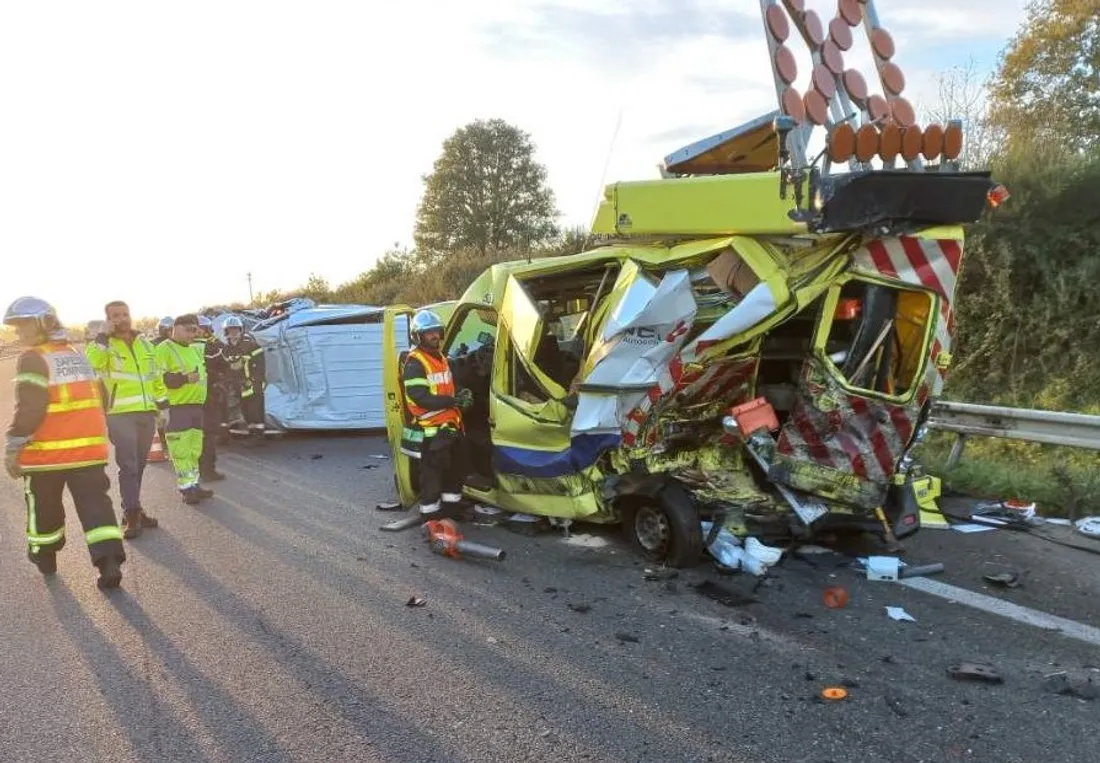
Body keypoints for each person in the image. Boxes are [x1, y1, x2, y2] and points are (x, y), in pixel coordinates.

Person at [4, 296, 126, 589]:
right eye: (16, 327)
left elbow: (31, 407)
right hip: (88, 453)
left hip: (46, 456)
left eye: (24, 326)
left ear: (44, 323)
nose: (19, 333)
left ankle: (45, 556)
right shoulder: (76, 354)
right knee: (97, 508)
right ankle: (108, 562)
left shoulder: (33, 358)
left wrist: (13, 444)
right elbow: (104, 398)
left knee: (44, 508)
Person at [85, 299, 164, 539]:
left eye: (124, 314)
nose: (122, 319)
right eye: (115, 315)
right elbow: (90, 368)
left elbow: (155, 376)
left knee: (139, 465)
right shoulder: (103, 345)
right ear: (108, 320)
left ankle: (134, 508)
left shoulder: (145, 344)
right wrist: (101, 338)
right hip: (119, 414)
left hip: (146, 412)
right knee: (128, 465)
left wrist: (162, 407)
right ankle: (132, 515)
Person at [400, 309, 474, 517]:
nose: (434, 336)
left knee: (455, 473)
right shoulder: (415, 363)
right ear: (418, 336)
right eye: (428, 332)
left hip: (450, 428)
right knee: (431, 479)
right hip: (430, 433)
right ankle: (430, 517)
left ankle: (451, 510)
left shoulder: (441, 358)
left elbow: (449, 385)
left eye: (436, 331)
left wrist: (461, 393)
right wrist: (453, 400)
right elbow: (420, 397)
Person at [154, 314, 214, 505]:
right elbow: (157, 378)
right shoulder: (164, 349)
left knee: (194, 449)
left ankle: (194, 484)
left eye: (195, 330)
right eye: (189, 330)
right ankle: (186, 488)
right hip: (177, 408)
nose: (193, 334)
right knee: (180, 450)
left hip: (196, 406)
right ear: (176, 328)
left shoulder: (194, 349)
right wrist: (184, 379)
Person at [222, 316, 267, 446]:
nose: (233, 332)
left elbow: (260, 364)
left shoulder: (251, 345)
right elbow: (226, 368)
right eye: (230, 330)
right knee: (246, 411)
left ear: (241, 330)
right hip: (239, 386)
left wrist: (254, 380)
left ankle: (258, 438)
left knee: (255, 411)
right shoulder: (226, 349)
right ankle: (253, 435)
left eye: (236, 329)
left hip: (252, 384)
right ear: (226, 332)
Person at [196, 316, 228, 481]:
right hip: (207, 397)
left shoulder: (180, 347)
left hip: (187, 399)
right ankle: (208, 470)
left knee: (193, 436)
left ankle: (196, 471)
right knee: (208, 434)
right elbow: (224, 366)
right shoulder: (210, 347)